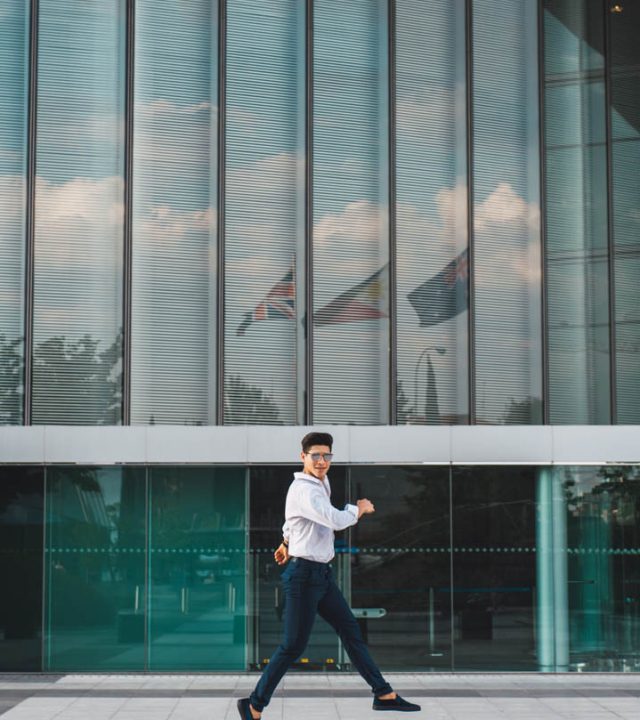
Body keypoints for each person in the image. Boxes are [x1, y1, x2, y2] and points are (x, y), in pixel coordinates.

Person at [237, 431, 421, 718]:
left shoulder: (321, 482)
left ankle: (384, 694)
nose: (322, 461)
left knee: (350, 631)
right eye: (316, 456)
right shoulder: (306, 490)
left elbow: (292, 521)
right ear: (303, 457)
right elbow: (334, 520)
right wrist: (358, 509)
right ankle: (253, 704)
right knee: (293, 646)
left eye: (326, 456)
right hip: (303, 577)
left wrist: (286, 543)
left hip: (321, 576)